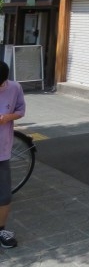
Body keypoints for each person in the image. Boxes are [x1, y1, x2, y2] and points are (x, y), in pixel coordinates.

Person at [0, 61, 25, 249]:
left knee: (4, 195)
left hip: (2, 151)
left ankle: (1, 230)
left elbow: (20, 110)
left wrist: (7, 117)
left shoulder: (15, 88)